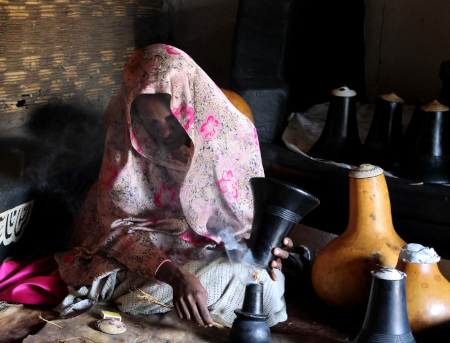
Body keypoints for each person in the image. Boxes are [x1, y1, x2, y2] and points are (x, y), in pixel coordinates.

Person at [55, 44, 292, 327]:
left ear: (190, 104)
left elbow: (243, 225)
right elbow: (115, 231)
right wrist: (174, 275)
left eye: (171, 118)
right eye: (150, 121)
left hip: (204, 252)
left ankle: (172, 303)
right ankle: (171, 300)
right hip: (138, 258)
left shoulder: (229, 136)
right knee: (225, 282)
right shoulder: (125, 139)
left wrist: (270, 244)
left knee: (262, 281)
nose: (164, 132)